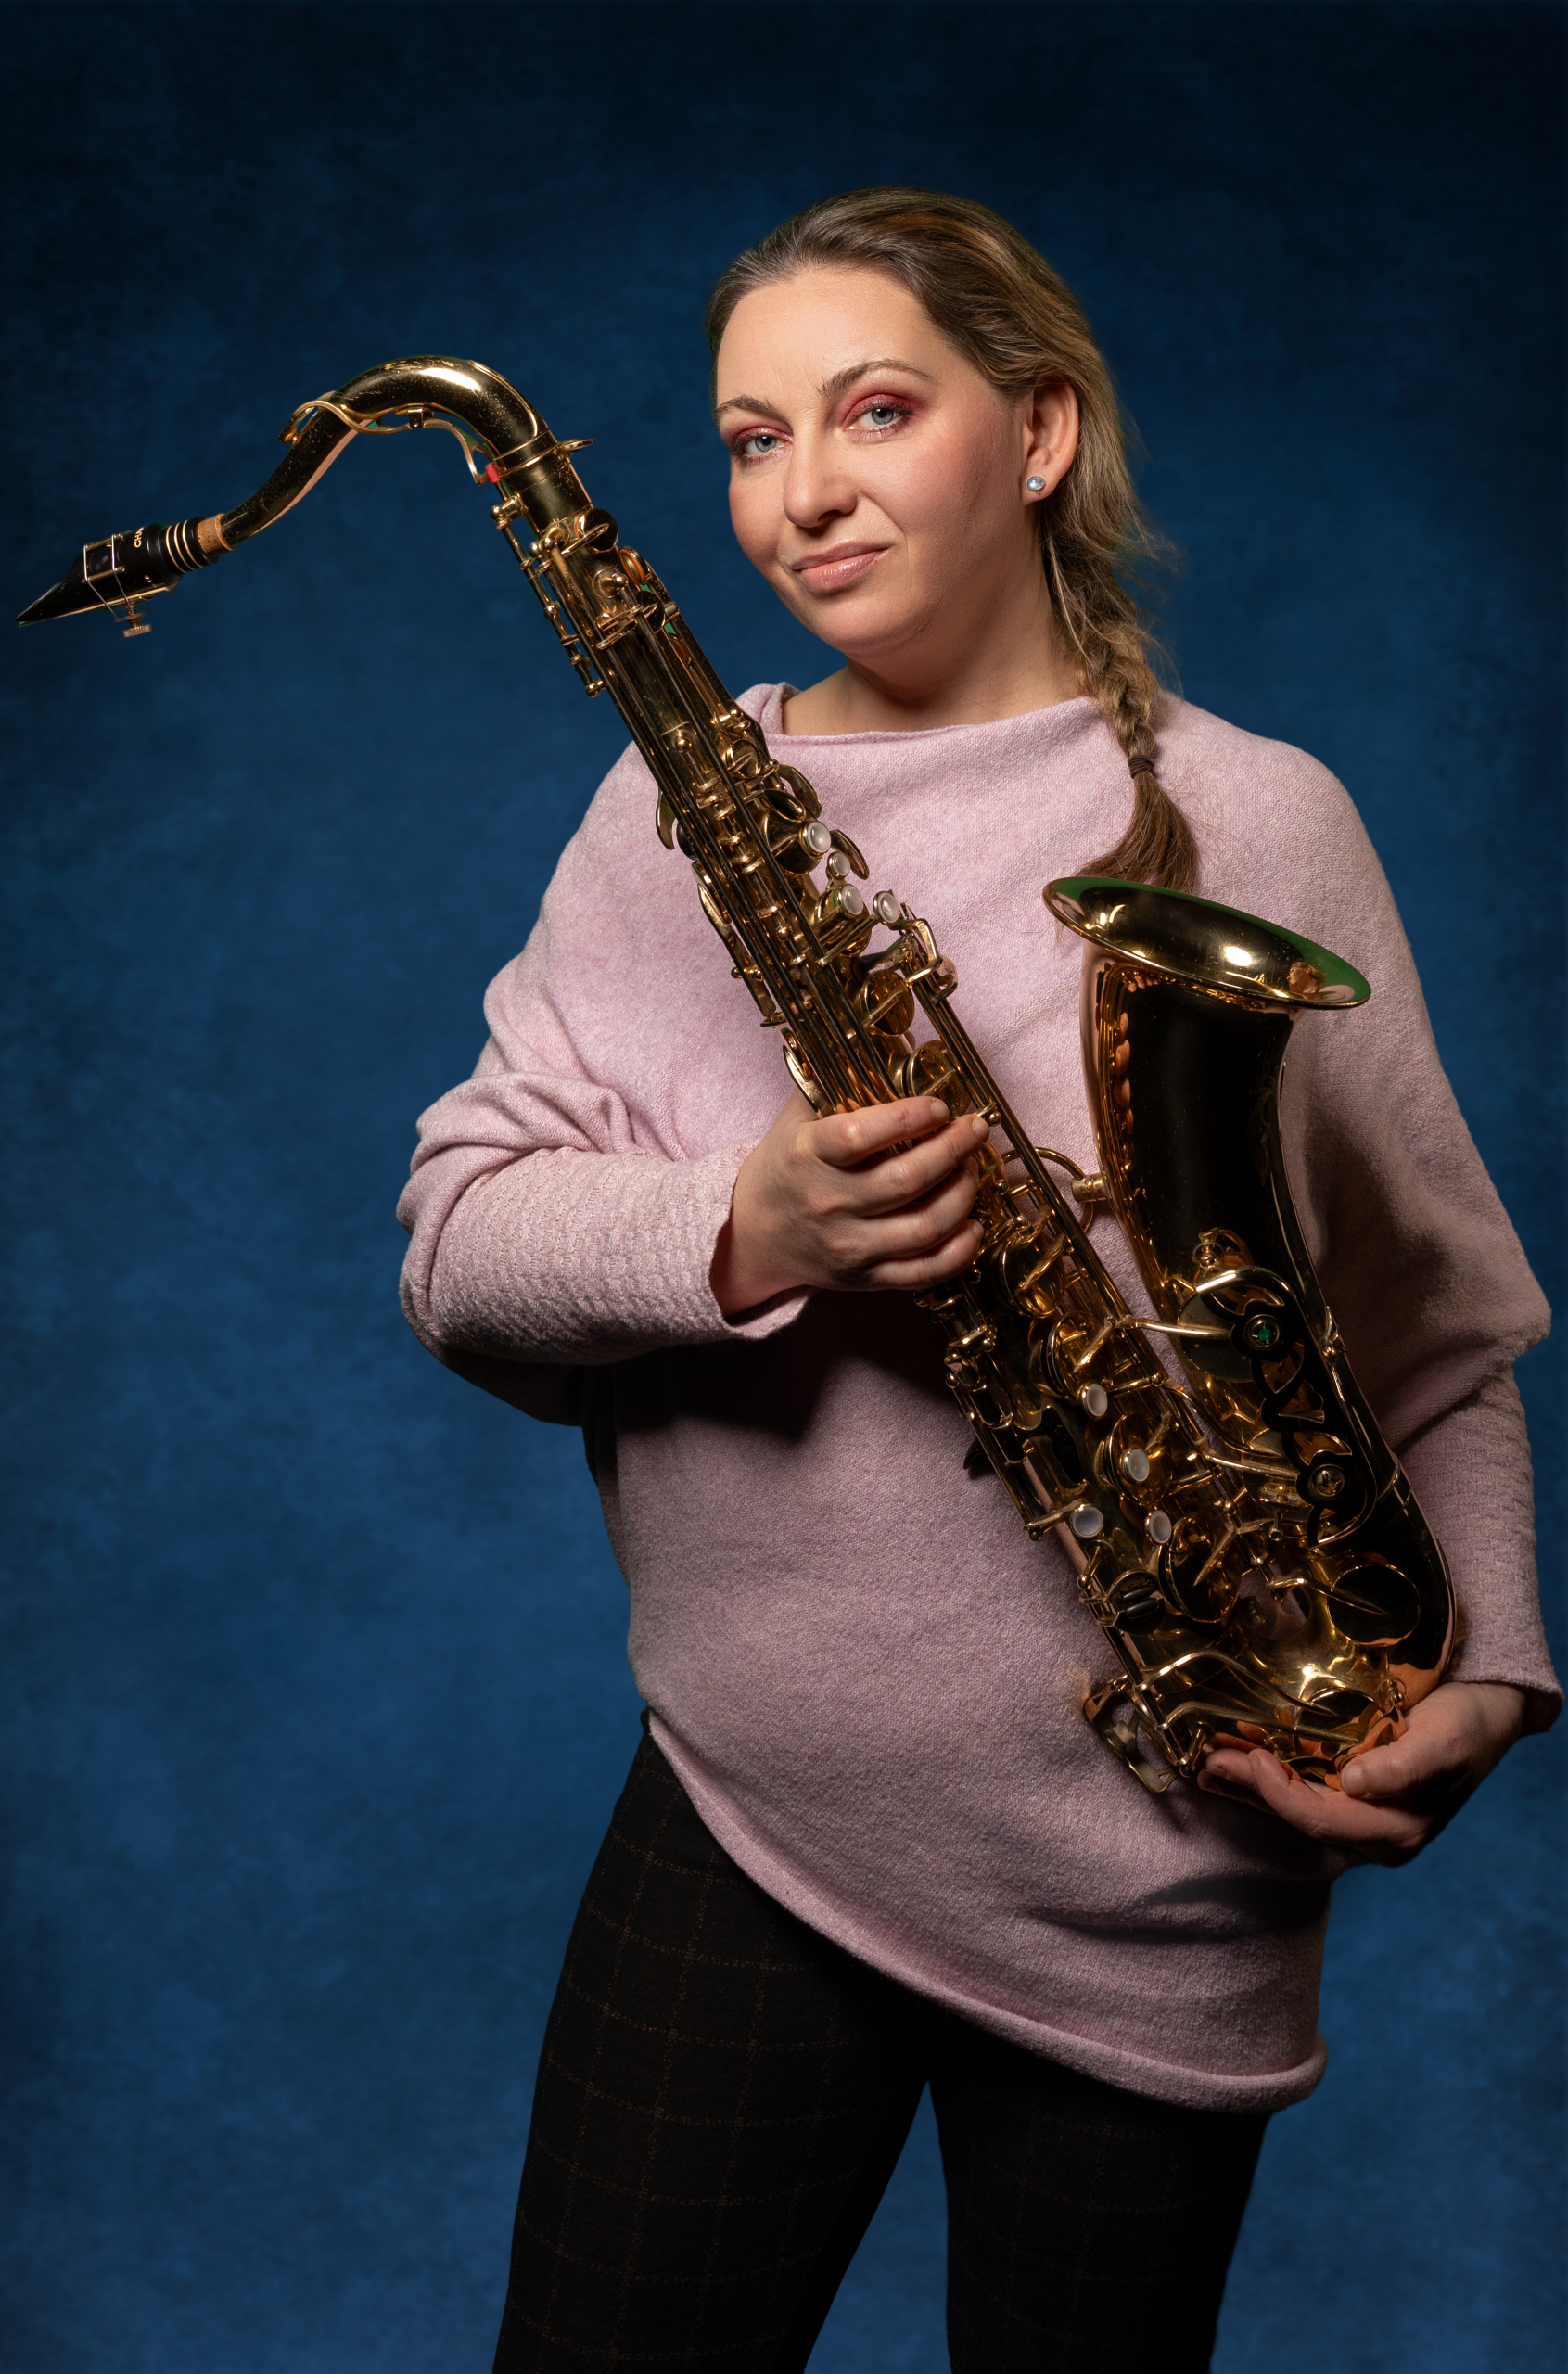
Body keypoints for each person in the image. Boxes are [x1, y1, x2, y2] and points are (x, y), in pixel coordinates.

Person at [397, 189, 1558, 2372]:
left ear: (1034, 429)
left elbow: (1425, 1333)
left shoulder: (1261, 820)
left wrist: (1481, 1666)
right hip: (753, 1812)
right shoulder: (673, 803)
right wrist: (746, 1227)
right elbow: (456, 1249)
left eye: (871, 408)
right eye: (747, 438)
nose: (799, 491)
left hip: (1177, 1851)